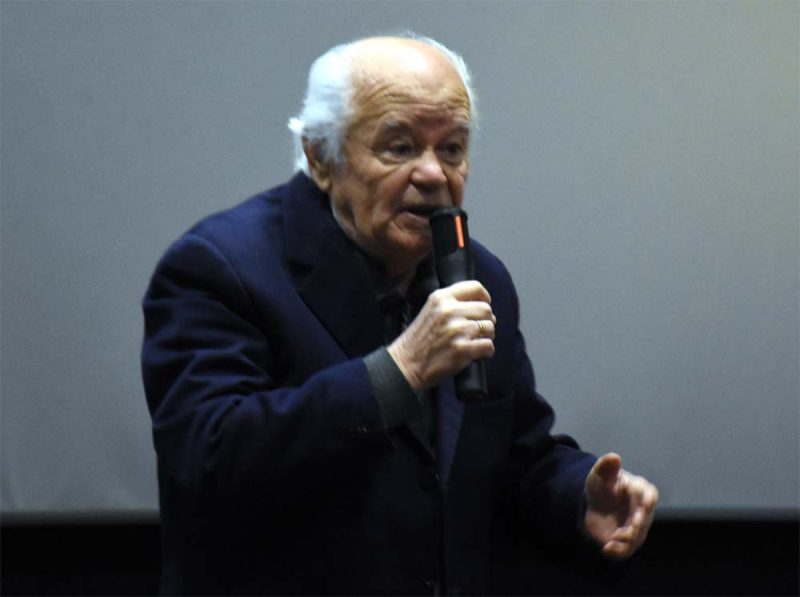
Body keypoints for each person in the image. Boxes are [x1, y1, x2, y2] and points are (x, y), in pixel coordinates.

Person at [141, 34, 658, 596]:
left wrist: (578, 496)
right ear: (320, 158)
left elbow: (514, 455)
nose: (434, 174)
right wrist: (401, 370)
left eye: (452, 149)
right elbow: (209, 459)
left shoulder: (478, 275)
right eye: (399, 147)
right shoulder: (221, 266)